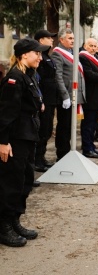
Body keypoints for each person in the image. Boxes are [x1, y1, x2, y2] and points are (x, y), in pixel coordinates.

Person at [0, 38, 48, 247]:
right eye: (36, 53)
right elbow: (5, 114)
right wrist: (3, 142)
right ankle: (4, 227)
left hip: (28, 136)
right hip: (15, 139)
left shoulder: (27, 75)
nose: (40, 57)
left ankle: (15, 220)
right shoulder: (14, 78)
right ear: (24, 55)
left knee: (25, 180)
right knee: (11, 183)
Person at [51, 28, 86, 160]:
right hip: (66, 97)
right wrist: (65, 96)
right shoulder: (58, 54)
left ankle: (68, 152)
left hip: (75, 95)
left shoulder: (71, 52)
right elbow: (58, 76)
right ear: (61, 40)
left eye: (73, 38)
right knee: (64, 127)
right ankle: (62, 155)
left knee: (71, 127)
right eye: (70, 38)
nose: (73, 40)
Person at [33, 29, 58, 172]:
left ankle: (41, 157)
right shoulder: (38, 57)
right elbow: (39, 80)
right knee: (42, 130)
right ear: (41, 40)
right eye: (49, 38)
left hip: (51, 98)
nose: (52, 40)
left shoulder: (47, 56)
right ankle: (37, 160)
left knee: (47, 129)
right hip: (45, 98)